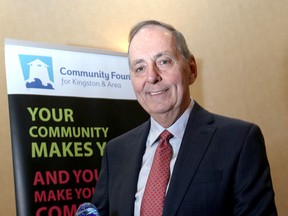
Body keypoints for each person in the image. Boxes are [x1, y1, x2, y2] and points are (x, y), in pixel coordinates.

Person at [92, 20, 277, 216]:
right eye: (140, 68)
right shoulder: (116, 152)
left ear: (191, 69)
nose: (151, 77)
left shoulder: (239, 141)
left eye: (163, 61)